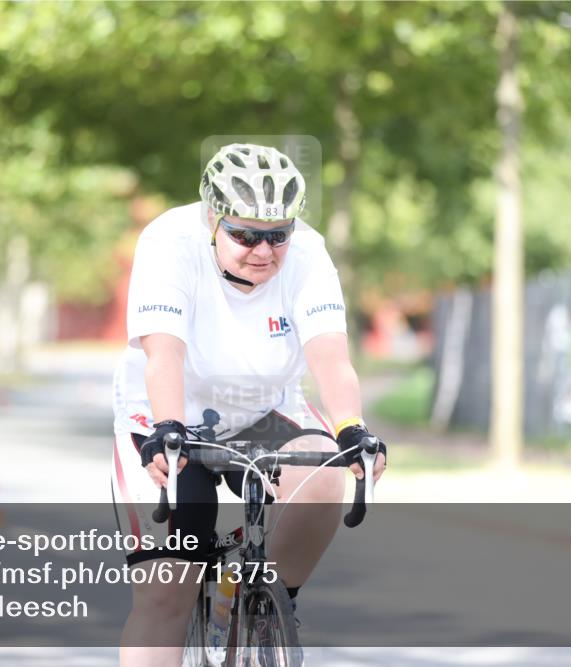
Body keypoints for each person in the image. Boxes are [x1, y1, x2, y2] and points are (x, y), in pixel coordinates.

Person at [110, 143, 387, 666]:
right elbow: (163, 353)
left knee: (326, 473)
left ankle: (269, 604)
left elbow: (330, 356)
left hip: (263, 408)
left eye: (277, 235)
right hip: (169, 412)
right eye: (245, 235)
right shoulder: (170, 242)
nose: (264, 250)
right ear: (213, 217)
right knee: (166, 590)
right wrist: (168, 426)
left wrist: (353, 428)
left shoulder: (308, 252)